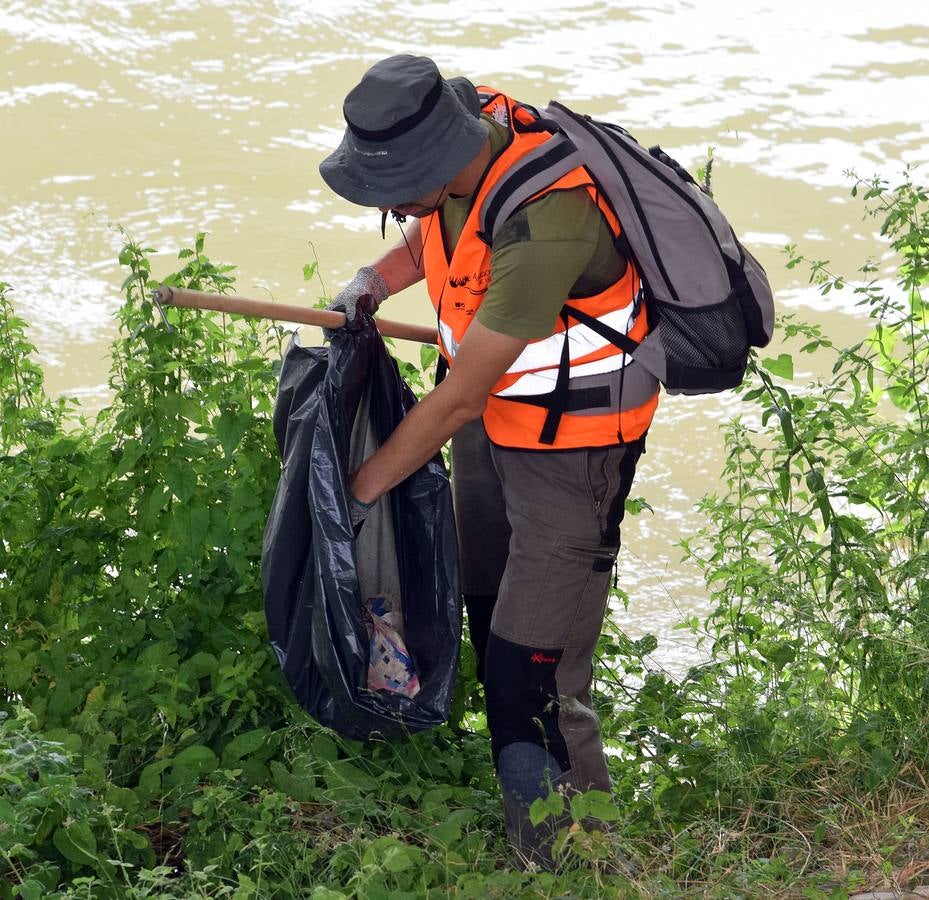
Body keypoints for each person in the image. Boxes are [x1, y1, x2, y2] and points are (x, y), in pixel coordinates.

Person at [318, 54, 659, 868]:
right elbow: (431, 232)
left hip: (571, 457)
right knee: (488, 620)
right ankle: (540, 833)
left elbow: (459, 395)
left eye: (397, 184)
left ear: (442, 156)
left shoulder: (550, 218)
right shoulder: (463, 154)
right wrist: (373, 279)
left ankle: (578, 862)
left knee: (531, 674)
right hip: (494, 432)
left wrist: (359, 489)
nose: (391, 203)